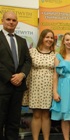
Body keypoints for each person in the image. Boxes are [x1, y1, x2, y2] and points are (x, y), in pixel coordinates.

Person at [0, 11, 32, 139]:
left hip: (18, 88)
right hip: (2, 86)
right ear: (2, 21)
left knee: (14, 122)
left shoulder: (22, 41)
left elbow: (27, 61)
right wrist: (10, 77)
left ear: (17, 23)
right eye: (8, 19)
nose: (11, 22)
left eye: (13, 20)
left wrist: (22, 74)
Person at [24, 29, 55, 140]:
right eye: (47, 37)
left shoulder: (55, 54)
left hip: (49, 87)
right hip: (35, 87)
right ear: (42, 38)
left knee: (46, 115)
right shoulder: (32, 51)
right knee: (36, 115)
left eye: (51, 38)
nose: (49, 39)